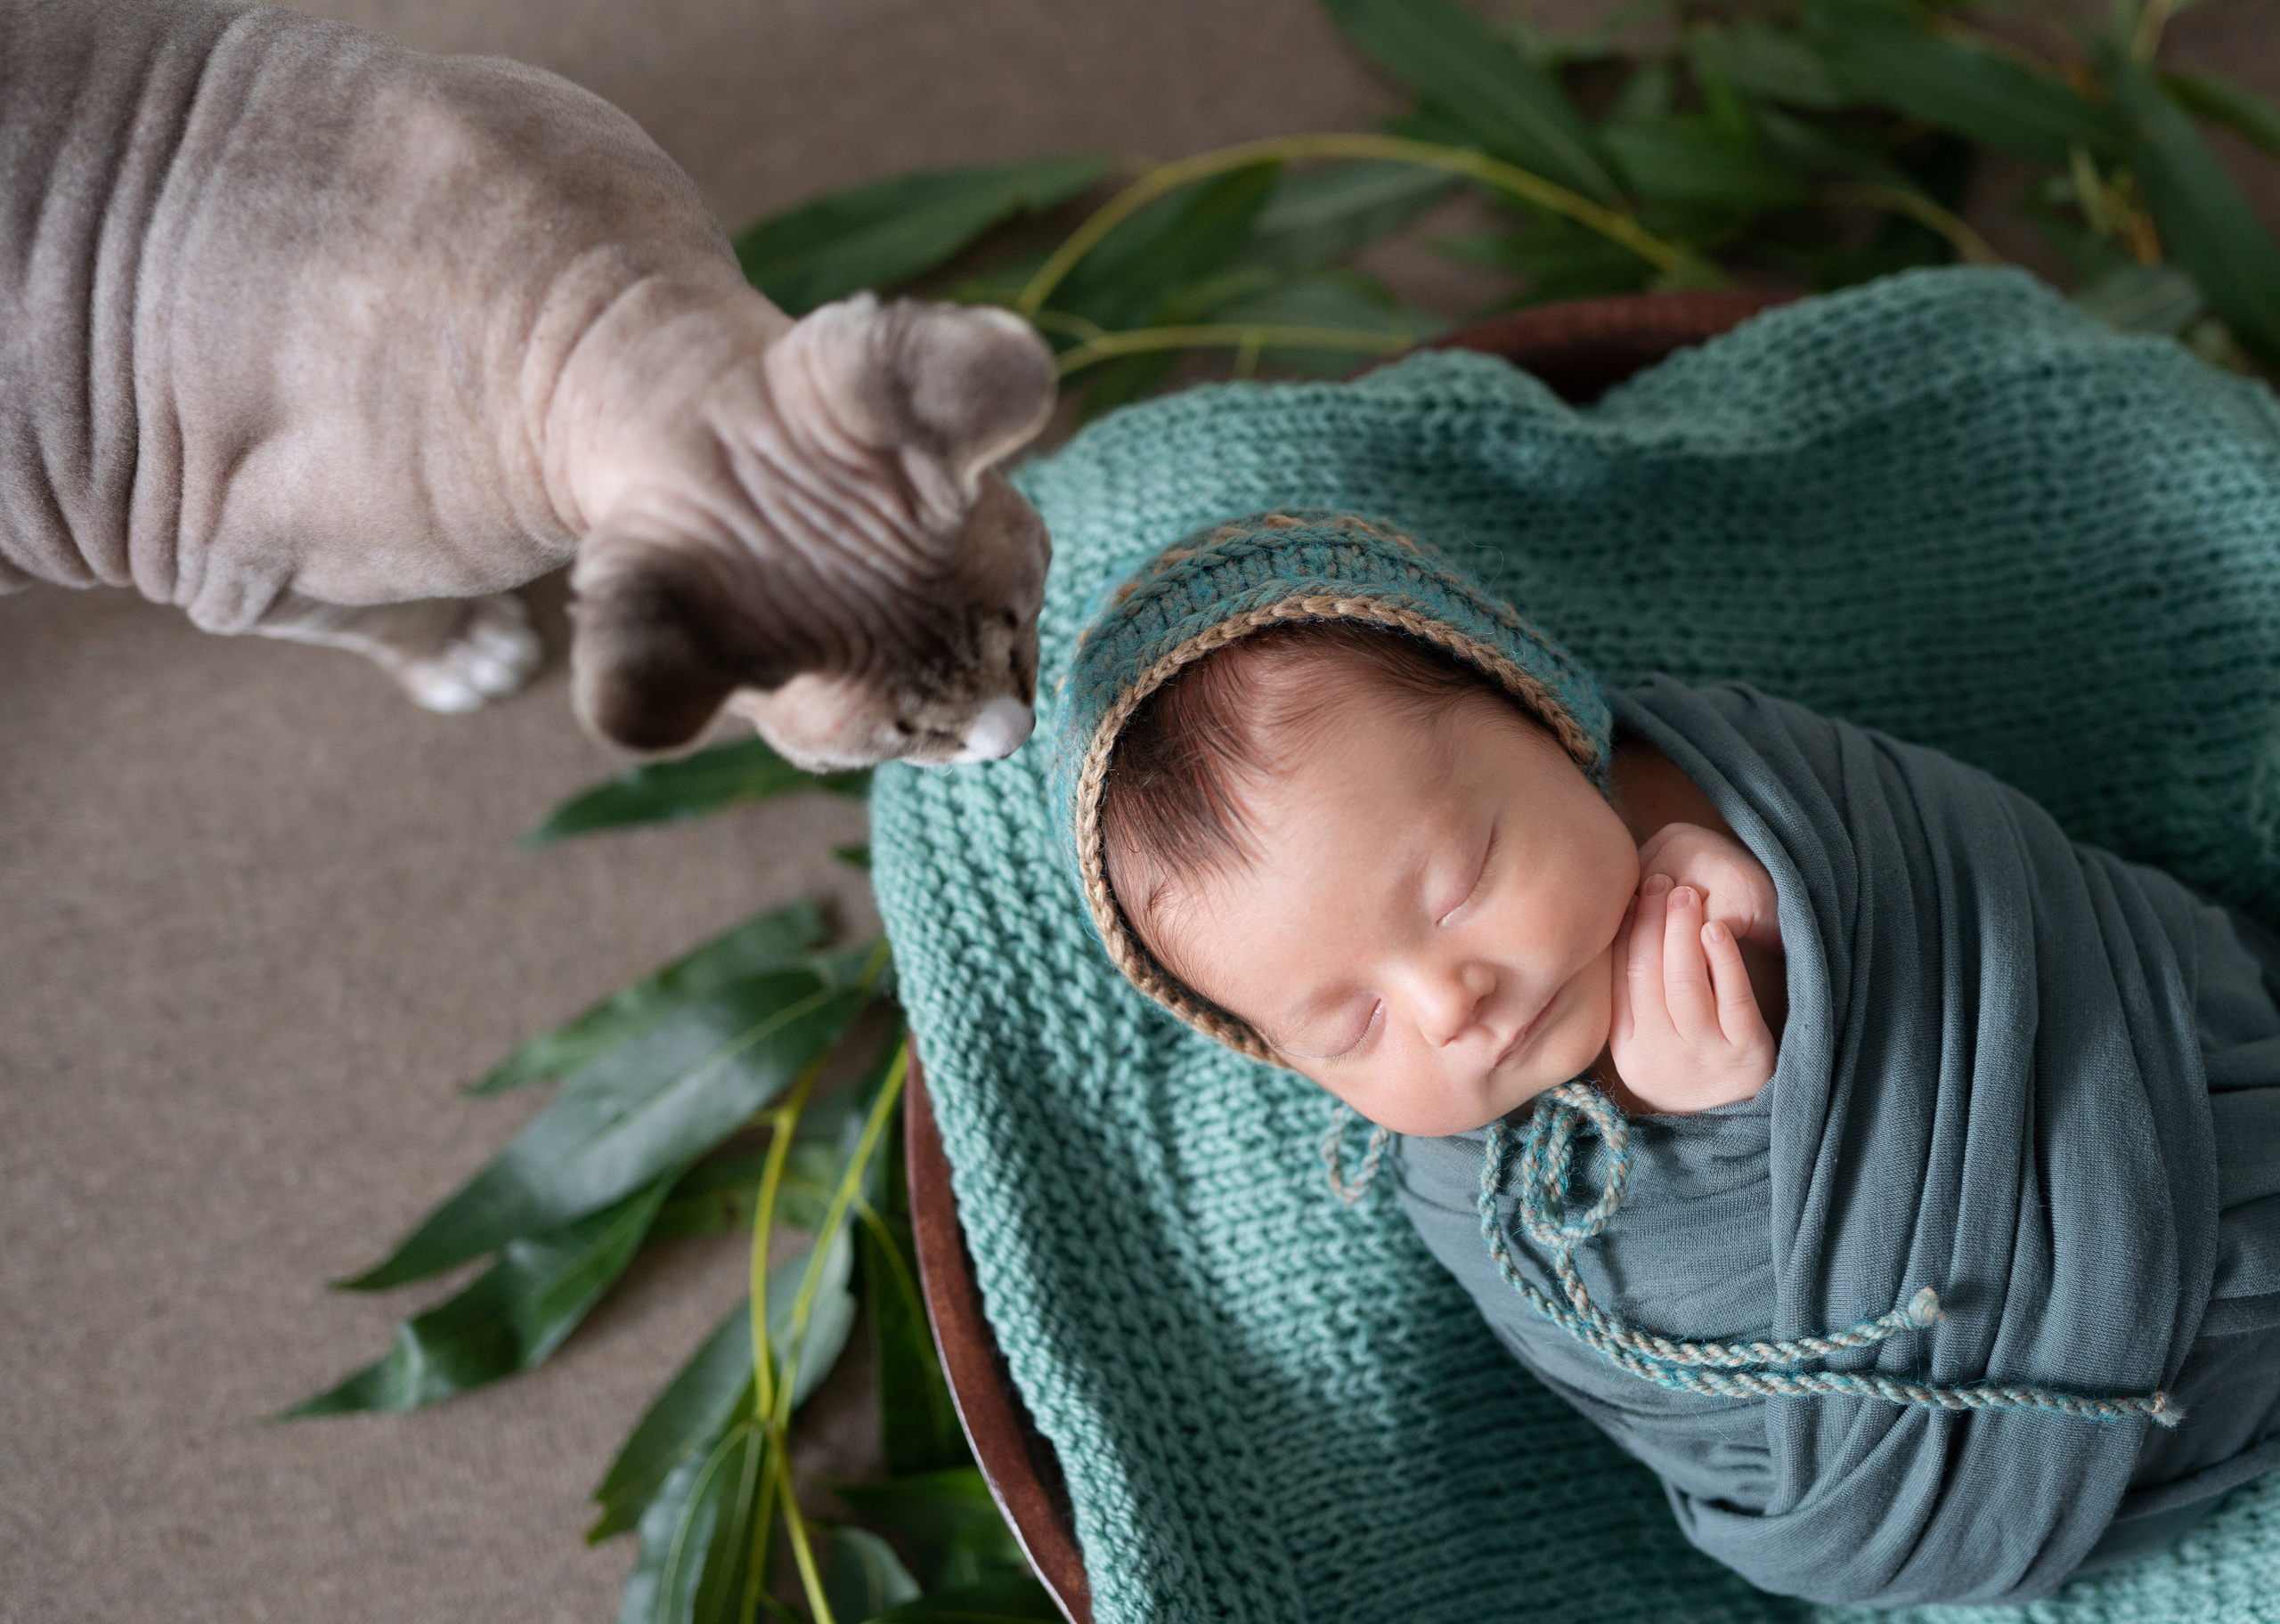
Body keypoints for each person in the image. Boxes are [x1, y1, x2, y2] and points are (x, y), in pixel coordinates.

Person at [1047, 508, 2280, 1607]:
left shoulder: (1744, 768)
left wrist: (1797, 940)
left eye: (1461, 886)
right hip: (2032, 1464)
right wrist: (1732, 1126)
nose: (1447, 1002)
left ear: (1544, 718)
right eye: (1350, 1028)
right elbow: (1719, 1399)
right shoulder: (1474, 1197)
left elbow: (1979, 886)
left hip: (2184, 1104)